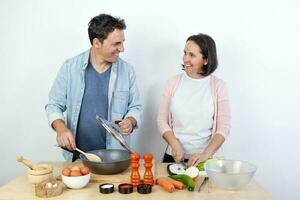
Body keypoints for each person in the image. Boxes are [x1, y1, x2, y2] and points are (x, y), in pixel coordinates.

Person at [46, 14, 143, 161]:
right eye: (116, 44)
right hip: (77, 157)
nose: (122, 48)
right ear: (97, 43)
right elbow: (53, 105)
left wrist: (131, 120)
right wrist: (61, 128)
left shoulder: (127, 71)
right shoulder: (70, 67)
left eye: (122, 42)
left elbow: (136, 106)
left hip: (115, 158)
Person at [157, 33, 230, 167]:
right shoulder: (172, 83)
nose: (185, 59)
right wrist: (174, 144)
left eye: (192, 55)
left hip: (207, 160)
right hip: (174, 158)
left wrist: (205, 154)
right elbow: (162, 121)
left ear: (206, 60)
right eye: (185, 53)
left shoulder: (219, 86)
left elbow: (223, 127)